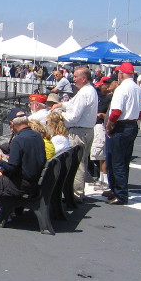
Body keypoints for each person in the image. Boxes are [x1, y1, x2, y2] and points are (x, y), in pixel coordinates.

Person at [50, 67, 98, 201]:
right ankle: (77, 191)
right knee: (82, 161)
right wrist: (61, 105)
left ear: (83, 78)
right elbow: (72, 104)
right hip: (88, 130)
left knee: (77, 164)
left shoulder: (84, 93)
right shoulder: (90, 90)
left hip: (79, 131)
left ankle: (76, 194)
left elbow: (73, 117)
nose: (74, 79)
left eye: (76, 76)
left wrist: (58, 114)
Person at [103, 62, 141, 205]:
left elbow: (116, 112)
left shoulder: (121, 89)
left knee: (117, 161)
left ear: (121, 74)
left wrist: (109, 126)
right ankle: (117, 189)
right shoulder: (138, 89)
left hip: (121, 126)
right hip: (132, 125)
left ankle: (120, 194)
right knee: (124, 161)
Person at [91, 76, 117, 190]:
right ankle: (102, 179)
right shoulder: (105, 97)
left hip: (103, 126)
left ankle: (105, 180)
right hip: (101, 125)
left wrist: (103, 115)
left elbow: (113, 113)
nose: (104, 86)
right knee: (100, 155)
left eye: (106, 84)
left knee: (103, 154)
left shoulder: (110, 98)